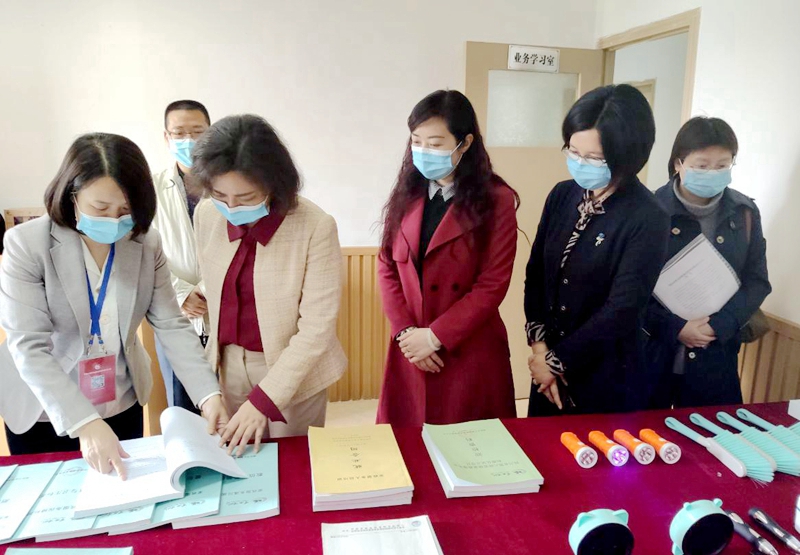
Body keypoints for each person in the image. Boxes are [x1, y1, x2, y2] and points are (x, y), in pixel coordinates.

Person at [0, 133, 227, 476]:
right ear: (72, 194)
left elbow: (171, 324)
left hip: (119, 399)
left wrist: (208, 395)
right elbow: (28, 345)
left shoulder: (145, 243)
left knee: (124, 491)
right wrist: (85, 423)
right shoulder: (27, 244)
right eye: (100, 208)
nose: (114, 221)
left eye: (125, 211)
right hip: (43, 406)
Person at [191, 114, 346, 455]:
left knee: (292, 465)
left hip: (292, 369)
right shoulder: (207, 213)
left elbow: (316, 329)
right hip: (228, 363)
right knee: (238, 459)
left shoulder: (314, 227)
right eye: (220, 194)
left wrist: (264, 400)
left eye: (246, 197)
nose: (231, 207)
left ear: (274, 183)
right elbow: (217, 281)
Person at [524, 84, 670, 417]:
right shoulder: (562, 195)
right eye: (573, 151)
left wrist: (556, 362)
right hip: (547, 372)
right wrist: (540, 348)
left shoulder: (648, 215)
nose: (580, 164)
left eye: (593, 158)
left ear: (627, 156)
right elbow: (536, 275)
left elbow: (623, 308)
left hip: (606, 377)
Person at [376, 90, 519, 426]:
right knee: (408, 444)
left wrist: (435, 336)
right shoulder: (407, 191)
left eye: (436, 143)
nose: (424, 151)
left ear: (465, 143)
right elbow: (386, 265)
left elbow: (493, 283)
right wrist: (406, 334)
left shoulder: (496, 199)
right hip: (410, 346)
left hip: (467, 348)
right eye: (417, 141)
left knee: (469, 445)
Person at [644, 117, 771, 408]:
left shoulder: (744, 212)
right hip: (653, 357)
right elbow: (629, 287)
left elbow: (757, 281)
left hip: (716, 361)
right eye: (702, 165)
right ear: (679, 163)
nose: (712, 173)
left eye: (722, 165)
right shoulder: (649, 211)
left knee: (712, 433)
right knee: (647, 433)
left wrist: (719, 325)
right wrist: (675, 327)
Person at [151, 99, 211, 412]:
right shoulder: (149, 190)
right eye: (179, 133)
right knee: (183, 407)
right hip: (175, 317)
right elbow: (141, 253)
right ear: (166, 137)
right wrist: (181, 293)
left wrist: (207, 289)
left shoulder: (231, 186)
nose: (189, 140)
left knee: (230, 408)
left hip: (224, 313)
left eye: (197, 132)